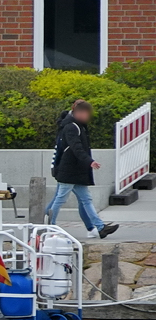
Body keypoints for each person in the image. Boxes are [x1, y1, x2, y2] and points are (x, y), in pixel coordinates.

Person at [45, 99, 118, 240]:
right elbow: (76, 147)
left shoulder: (77, 126)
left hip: (76, 170)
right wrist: (90, 161)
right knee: (61, 198)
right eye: (84, 113)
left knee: (85, 199)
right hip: (69, 170)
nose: (87, 116)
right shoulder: (72, 127)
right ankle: (49, 225)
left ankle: (99, 227)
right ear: (77, 112)